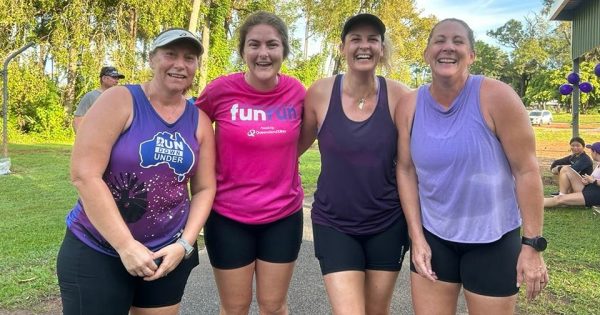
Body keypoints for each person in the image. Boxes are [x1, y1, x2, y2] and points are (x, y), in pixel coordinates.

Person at [57, 28, 216, 315]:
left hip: (165, 254)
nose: (180, 64)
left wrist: (184, 244)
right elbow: (84, 174)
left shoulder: (200, 121)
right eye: (170, 54)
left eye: (189, 58)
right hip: (98, 249)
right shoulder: (119, 100)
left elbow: (205, 188)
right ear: (153, 59)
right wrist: (126, 246)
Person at [395, 18, 548, 314]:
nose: (448, 47)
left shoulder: (496, 96)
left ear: (472, 55)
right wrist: (417, 236)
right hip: (434, 238)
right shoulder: (409, 105)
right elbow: (405, 169)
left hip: (493, 238)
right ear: (427, 53)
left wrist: (531, 246)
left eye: (458, 41)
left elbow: (526, 170)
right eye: (439, 41)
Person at [298, 13, 411, 314]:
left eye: (373, 39)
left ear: (382, 48)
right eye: (355, 39)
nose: (365, 46)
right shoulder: (320, 93)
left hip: (387, 222)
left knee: (377, 311)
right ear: (342, 47)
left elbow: (411, 164)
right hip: (334, 223)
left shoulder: (401, 96)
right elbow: (291, 148)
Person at [194, 11, 305, 315]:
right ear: (243, 51)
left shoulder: (296, 92)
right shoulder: (219, 90)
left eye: (272, 45)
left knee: (273, 306)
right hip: (228, 216)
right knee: (235, 307)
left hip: (283, 215)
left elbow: (304, 137)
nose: (263, 53)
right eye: (254, 45)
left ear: (284, 50)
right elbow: (191, 130)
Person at [545, 142, 600, 208]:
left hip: (595, 194)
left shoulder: (585, 159)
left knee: (559, 199)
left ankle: (533, 203)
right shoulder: (598, 164)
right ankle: (562, 194)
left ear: (595, 152)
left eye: (591, 151)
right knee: (565, 169)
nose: (590, 153)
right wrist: (588, 180)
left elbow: (595, 181)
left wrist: (593, 181)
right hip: (590, 188)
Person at [73, 66, 125, 132]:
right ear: (104, 78)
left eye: (118, 78)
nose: (117, 81)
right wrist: (82, 139)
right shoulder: (91, 96)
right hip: (94, 138)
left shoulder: (119, 98)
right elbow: (78, 120)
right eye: (114, 77)